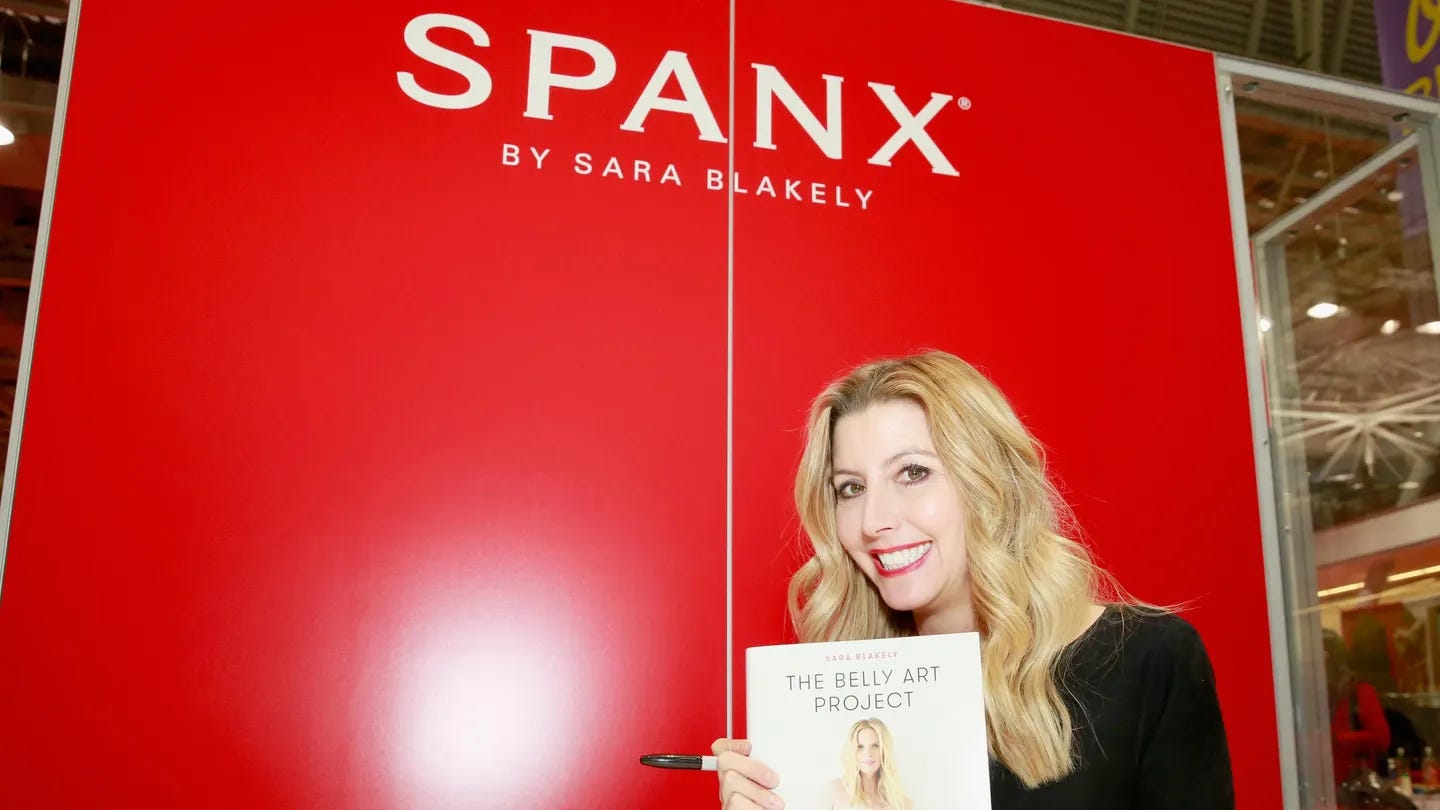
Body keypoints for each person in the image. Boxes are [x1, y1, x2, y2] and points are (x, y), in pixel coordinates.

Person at [714, 351, 1234, 809]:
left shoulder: (1148, 661)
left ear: (990, 482)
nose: (873, 520)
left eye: (912, 473)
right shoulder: (846, 707)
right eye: (850, 488)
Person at [822, 718, 913, 810]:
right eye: (860, 746)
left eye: (875, 746)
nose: (868, 754)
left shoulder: (903, 804)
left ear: (885, 750)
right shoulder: (834, 791)